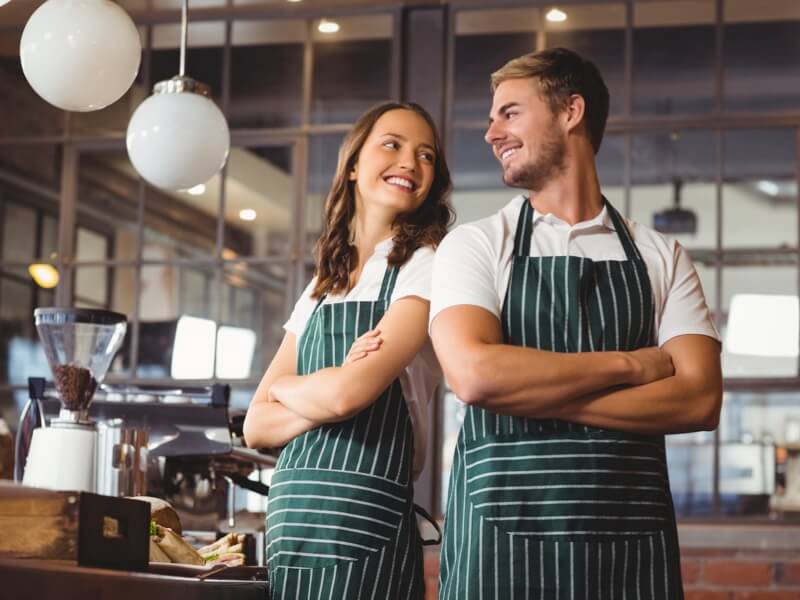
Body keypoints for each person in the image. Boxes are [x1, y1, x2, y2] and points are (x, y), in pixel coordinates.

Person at [430, 48, 722, 599]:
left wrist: (531, 393)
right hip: (501, 549)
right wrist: (633, 365)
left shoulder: (660, 254)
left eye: (509, 113)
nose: (491, 133)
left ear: (571, 112)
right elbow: (474, 376)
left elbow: (699, 401)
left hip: (630, 551)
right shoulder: (475, 245)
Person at [243, 101, 453, 599]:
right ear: (354, 164)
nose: (410, 162)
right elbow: (255, 425)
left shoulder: (425, 266)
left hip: (364, 520)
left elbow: (347, 397)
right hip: (292, 520)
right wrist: (325, 388)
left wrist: (290, 392)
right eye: (393, 145)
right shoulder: (323, 283)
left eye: (426, 155)